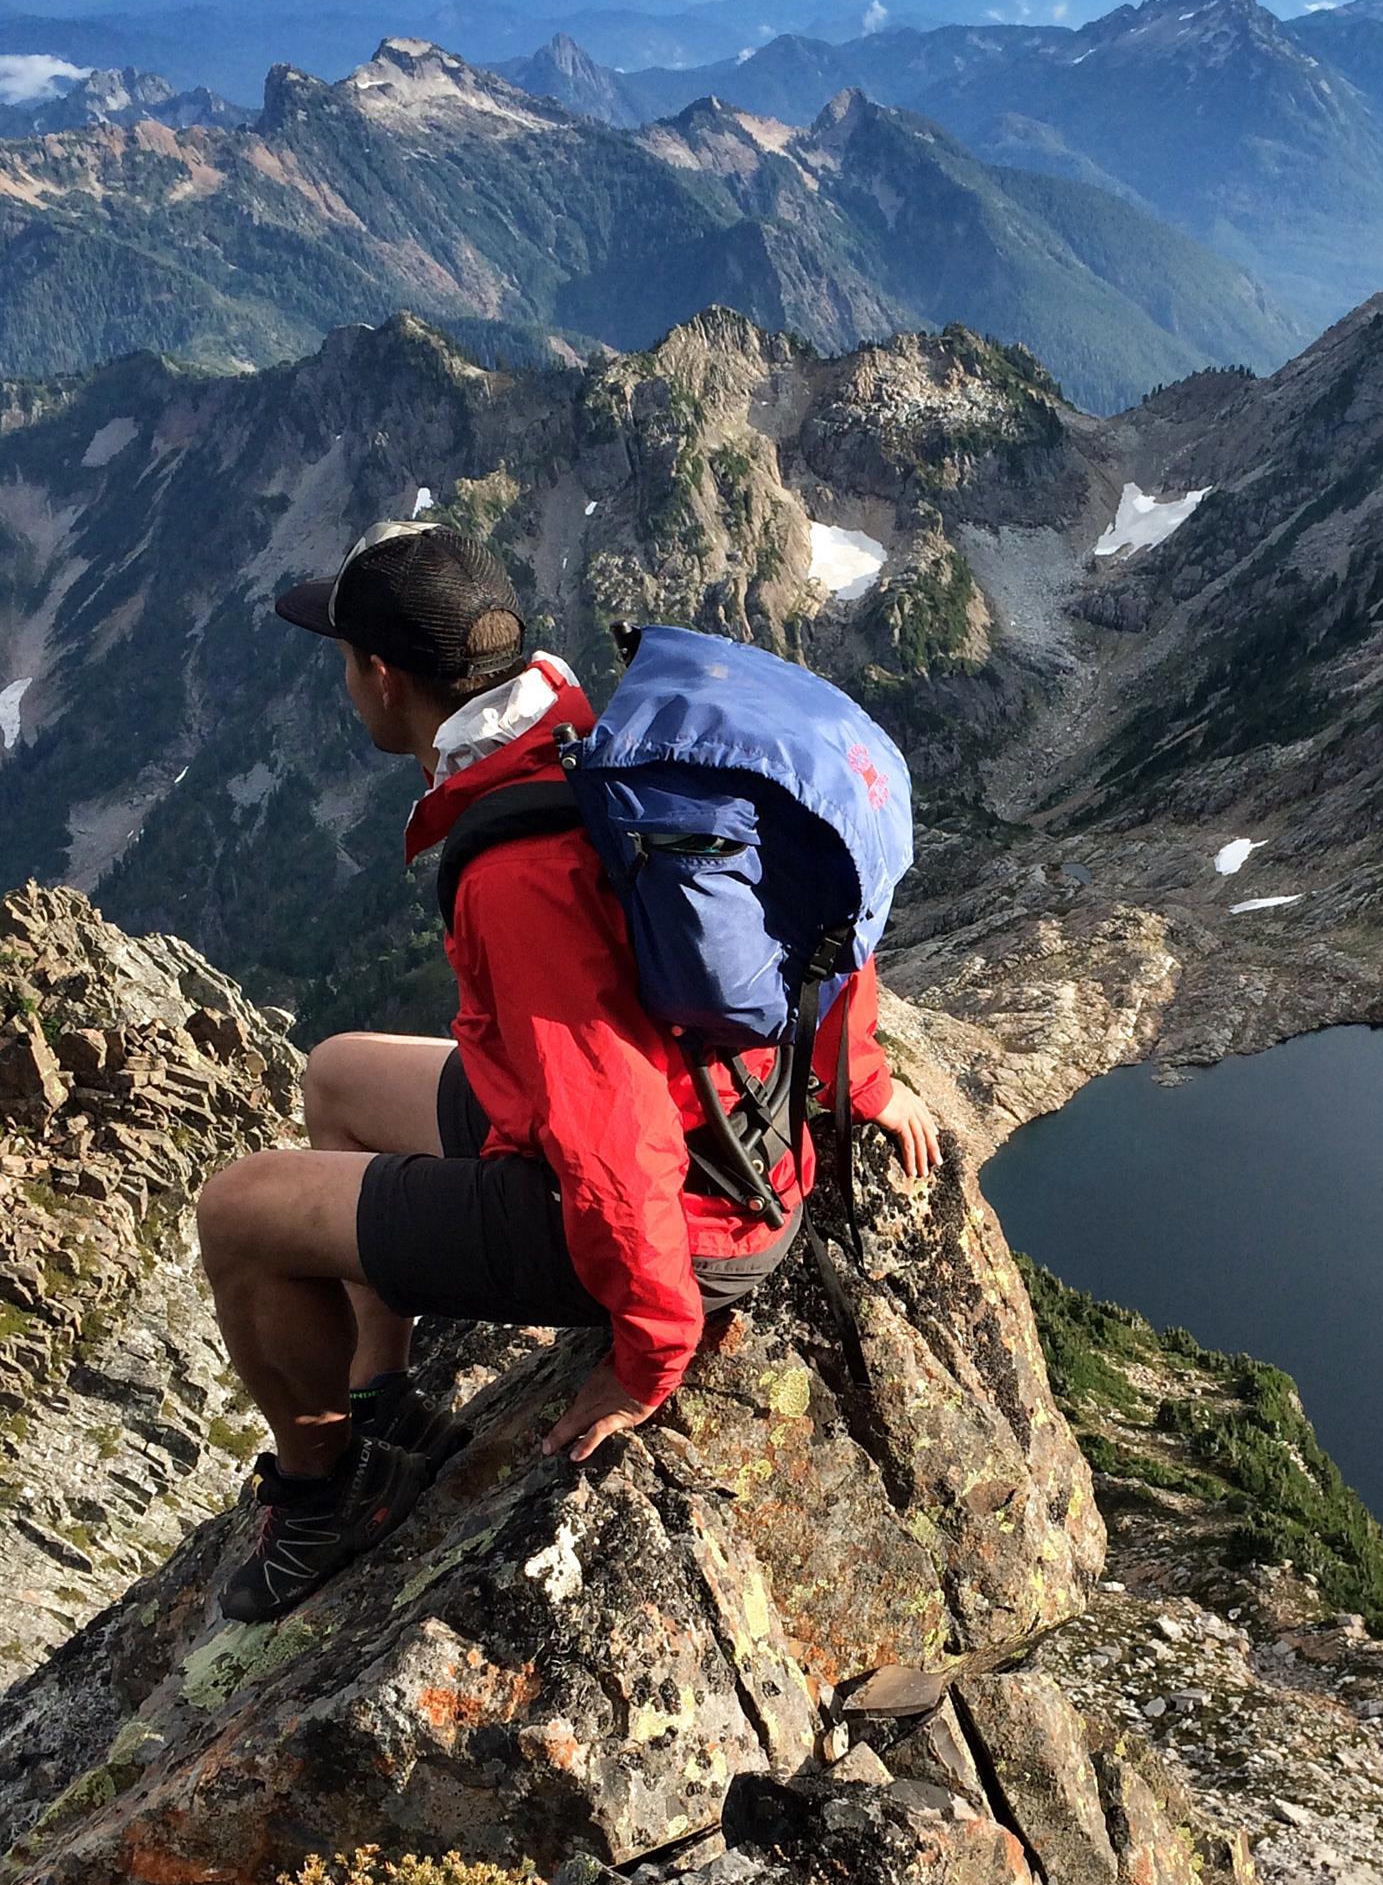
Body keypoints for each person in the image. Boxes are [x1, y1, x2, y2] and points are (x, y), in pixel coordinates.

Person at [197, 519, 940, 1625]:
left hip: (683, 1217)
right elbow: (821, 916)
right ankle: (383, 1397)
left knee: (238, 1213)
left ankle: (325, 1494)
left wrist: (648, 1356)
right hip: (723, 1140)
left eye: (346, 660)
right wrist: (861, 1079)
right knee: (337, 1078)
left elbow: (609, 1136)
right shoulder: (592, 740)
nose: (346, 682)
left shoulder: (515, 874)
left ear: (382, 676)